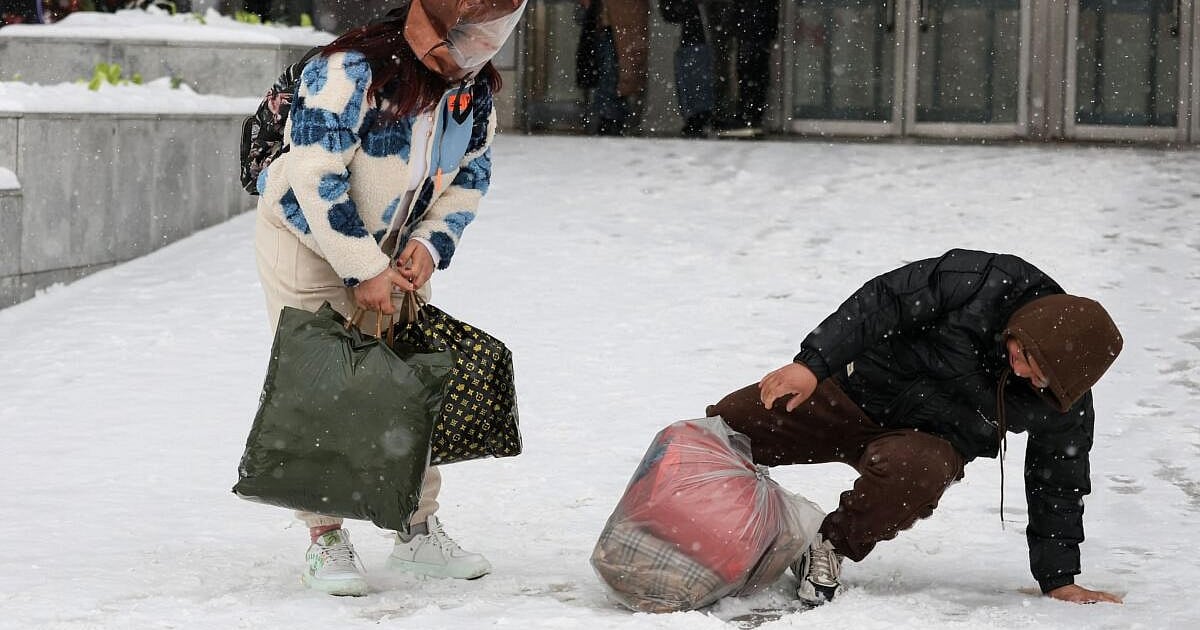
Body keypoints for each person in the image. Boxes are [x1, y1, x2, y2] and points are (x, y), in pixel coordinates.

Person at [252, 0, 527, 596]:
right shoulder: (348, 71)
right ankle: (325, 537)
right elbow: (313, 175)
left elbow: (471, 178)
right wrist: (361, 267)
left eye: (495, 31)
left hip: (397, 252)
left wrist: (430, 245)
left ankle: (417, 530)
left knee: (407, 385)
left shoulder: (471, 93)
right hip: (308, 237)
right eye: (471, 30)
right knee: (321, 382)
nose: (482, 46)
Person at [706, 249, 1125, 606]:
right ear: (1026, 332)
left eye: (1039, 379)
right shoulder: (982, 283)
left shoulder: (1061, 397)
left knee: (918, 471)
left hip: (925, 443)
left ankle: (829, 545)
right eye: (1023, 359)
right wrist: (812, 365)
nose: (1023, 375)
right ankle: (699, 522)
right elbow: (883, 300)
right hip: (855, 390)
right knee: (725, 428)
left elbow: (1059, 482)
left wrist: (1059, 579)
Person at [706, 0, 780, 138]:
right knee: (753, 72)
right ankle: (750, 115)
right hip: (754, 28)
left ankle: (748, 115)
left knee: (749, 71)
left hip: (751, 28)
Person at [576, 0, 648, 136]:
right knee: (613, 72)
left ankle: (609, 117)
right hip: (610, 23)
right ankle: (610, 117)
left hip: (611, 23)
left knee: (612, 71)